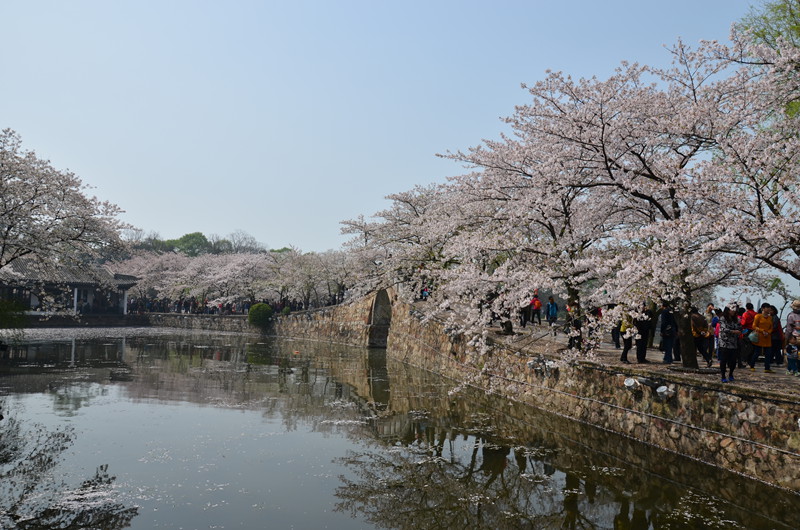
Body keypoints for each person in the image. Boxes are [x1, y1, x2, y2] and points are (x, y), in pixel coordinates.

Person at [718, 306, 742, 383]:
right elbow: (723, 329)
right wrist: (733, 331)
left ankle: (731, 374)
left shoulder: (736, 319)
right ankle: (723, 376)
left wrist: (740, 331)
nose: (733, 311)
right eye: (732, 309)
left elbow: (740, 327)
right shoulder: (722, 318)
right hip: (724, 341)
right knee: (723, 360)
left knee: (733, 360)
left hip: (733, 342)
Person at [749, 304, 774, 373]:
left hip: (767, 337)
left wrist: (768, 332)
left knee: (768, 353)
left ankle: (767, 368)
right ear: (763, 308)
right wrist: (762, 331)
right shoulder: (758, 316)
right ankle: (752, 365)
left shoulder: (770, 317)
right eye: (767, 308)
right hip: (759, 337)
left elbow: (771, 327)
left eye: (769, 308)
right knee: (757, 352)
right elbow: (754, 326)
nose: (769, 309)